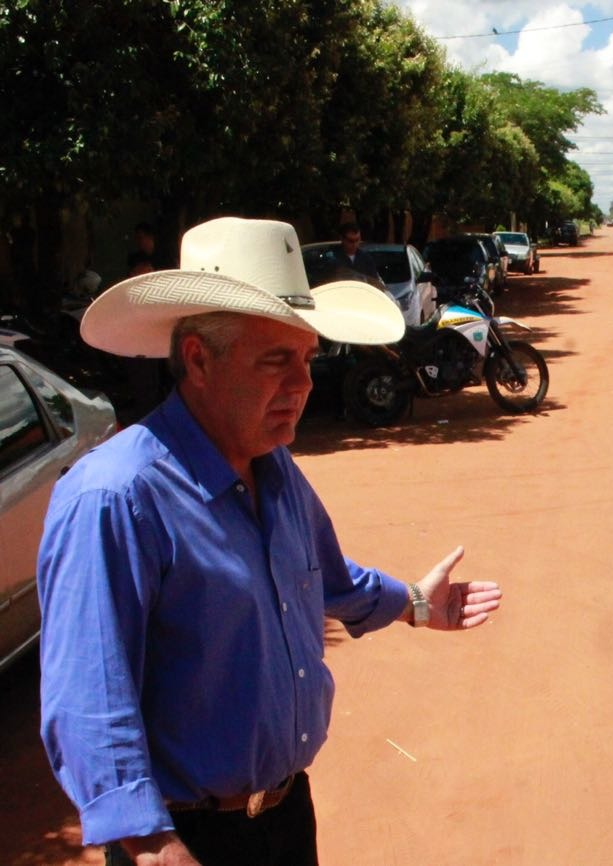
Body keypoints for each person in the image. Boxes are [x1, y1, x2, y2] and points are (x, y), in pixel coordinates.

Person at [37, 217, 503, 866]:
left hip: (285, 820)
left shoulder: (272, 466)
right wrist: (151, 847)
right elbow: (89, 702)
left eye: (307, 358)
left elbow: (327, 579)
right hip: (189, 842)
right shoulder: (116, 498)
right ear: (199, 357)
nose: (304, 385)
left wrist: (414, 604)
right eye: (276, 359)